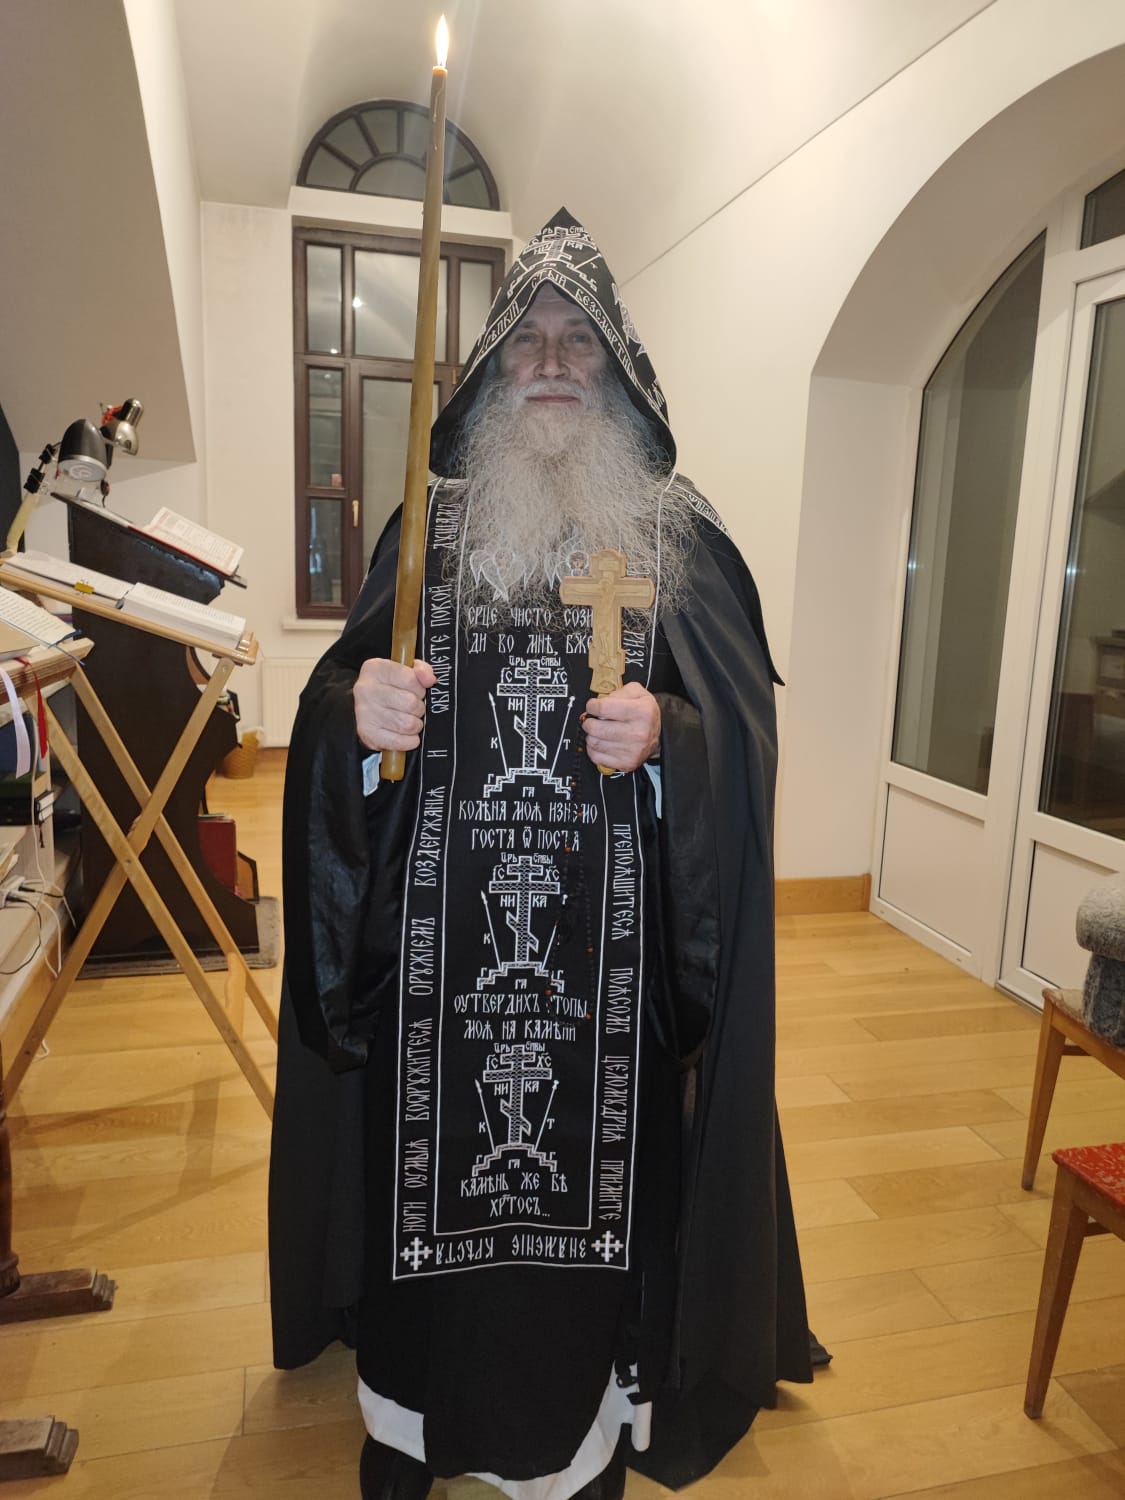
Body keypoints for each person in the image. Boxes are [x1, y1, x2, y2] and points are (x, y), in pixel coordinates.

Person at [270, 209, 813, 1500]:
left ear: (618, 371)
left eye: (580, 341)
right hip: (438, 981)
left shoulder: (676, 538)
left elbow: (738, 737)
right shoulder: (430, 529)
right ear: (490, 371)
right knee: (428, 1191)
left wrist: (669, 739)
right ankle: (410, 1421)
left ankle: (576, 1443)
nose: (556, 361)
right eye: (529, 341)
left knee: (592, 1212)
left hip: (606, 990)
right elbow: (337, 696)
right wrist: (354, 718)